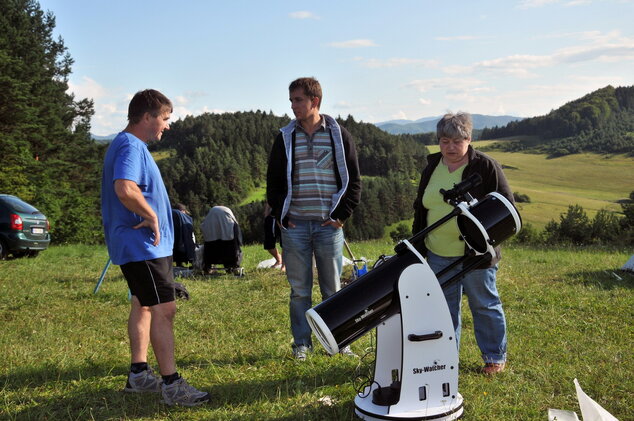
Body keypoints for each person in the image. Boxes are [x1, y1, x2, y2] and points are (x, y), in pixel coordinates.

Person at [101, 89, 210, 406]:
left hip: (137, 246)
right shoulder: (131, 147)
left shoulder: (127, 144)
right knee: (165, 309)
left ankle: (138, 375)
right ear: (146, 117)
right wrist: (150, 215)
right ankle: (172, 386)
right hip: (143, 247)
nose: (167, 125)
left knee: (143, 304)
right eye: (164, 118)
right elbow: (124, 187)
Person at [266, 77, 362, 360]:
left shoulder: (338, 135)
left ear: (315, 102)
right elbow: (272, 181)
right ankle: (302, 345)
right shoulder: (285, 137)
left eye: (298, 100)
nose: (293, 106)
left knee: (333, 290)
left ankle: (340, 342)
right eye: (291, 100)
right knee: (299, 291)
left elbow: (354, 180)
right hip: (295, 227)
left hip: (328, 227)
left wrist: (341, 216)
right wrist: (281, 214)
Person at [412, 112, 513, 375]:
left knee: (484, 304)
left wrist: (485, 241)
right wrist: (418, 247)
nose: (451, 147)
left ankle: (494, 357)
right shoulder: (432, 166)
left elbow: (506, 208)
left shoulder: (486, 167)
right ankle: (446, 360)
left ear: (469, 139)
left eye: (458, 141)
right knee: (444, 310)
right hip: (438, 252)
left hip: (476, 255)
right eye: (445, 141)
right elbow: (421, 209)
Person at [200, 205, 243, 274]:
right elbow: (237, 242)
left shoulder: (208, 225)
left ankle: (208, 269)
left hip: (212, 257)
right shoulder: (231, 225)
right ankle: (232, 267)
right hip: (230, 255)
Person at [263, 202, 284, 271]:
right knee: (268, 245)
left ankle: (284, 265)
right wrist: (266, 215)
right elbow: (269, 200)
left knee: (285, 243)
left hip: (284, 217)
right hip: (271, 218)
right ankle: (278, 260)